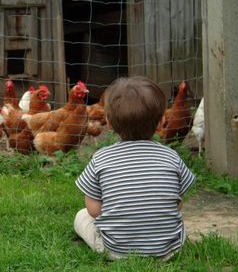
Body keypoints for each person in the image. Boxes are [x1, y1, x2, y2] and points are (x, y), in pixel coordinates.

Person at [74, 76, 196, 260]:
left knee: (81, 216)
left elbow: (93, 210)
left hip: (115, 251)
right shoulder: (171, 157)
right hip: (168, 250)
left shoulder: (101, 158)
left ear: (109, 122)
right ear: (162, 122)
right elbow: (178, 203)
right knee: (177, 220)